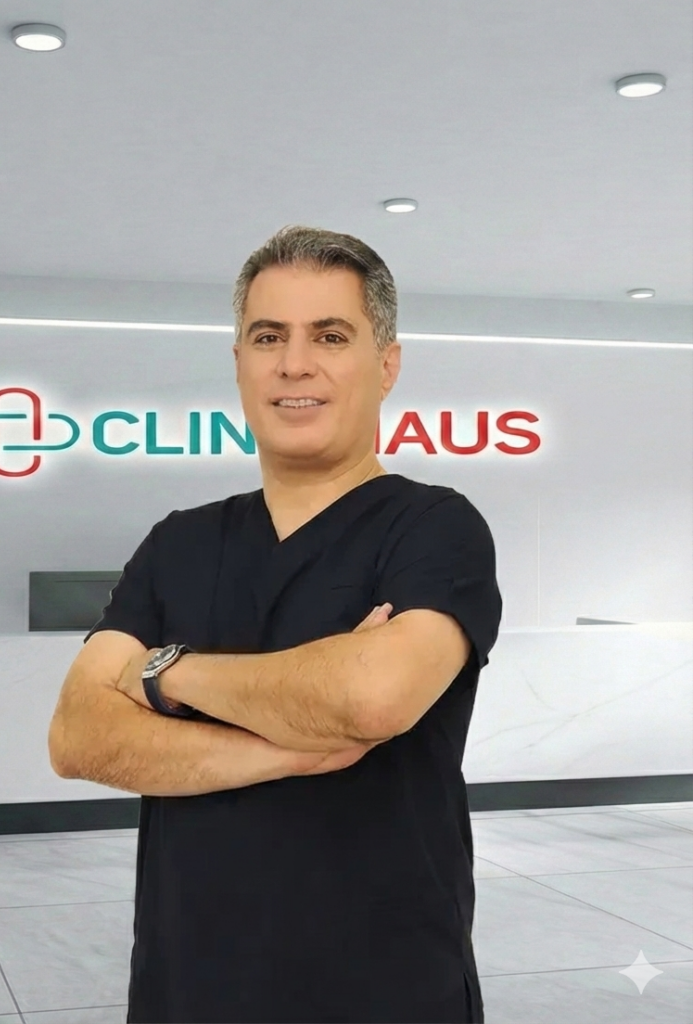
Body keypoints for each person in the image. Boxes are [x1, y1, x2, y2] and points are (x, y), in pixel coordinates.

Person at [48, 224, 502, 1024]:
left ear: (387, 363)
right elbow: (78, 737)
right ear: (239, 363)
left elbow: (370, 699)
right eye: (268, 337)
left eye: (330, 335)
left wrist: (163, 674)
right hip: (187, 987)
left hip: (387, 988)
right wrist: (295, 749)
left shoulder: (434, 528)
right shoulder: (178, 541)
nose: (294, 364)